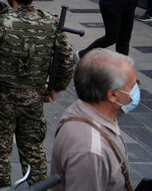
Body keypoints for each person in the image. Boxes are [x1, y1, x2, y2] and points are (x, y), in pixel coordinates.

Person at [0, 0, 75, 189]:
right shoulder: (51, 22)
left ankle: (1, 187)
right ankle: (38, 186)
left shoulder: (2, 23)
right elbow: (67, 59)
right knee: (33, 148)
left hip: (2, 98)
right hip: (34, 97)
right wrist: (56, 88)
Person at [51, 49, 138, 191]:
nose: (136, 90)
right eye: (133, 85)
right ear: (113, 95)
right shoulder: (91, 150)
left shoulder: (82, 109)